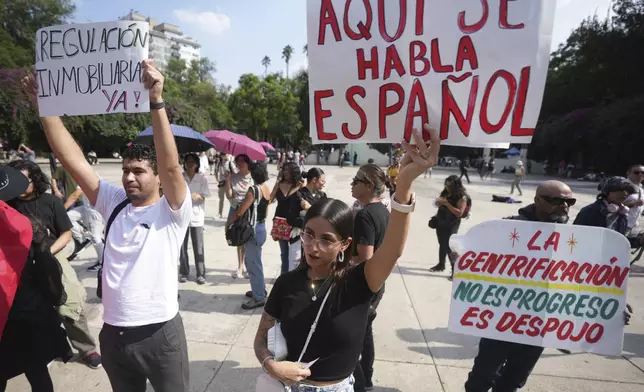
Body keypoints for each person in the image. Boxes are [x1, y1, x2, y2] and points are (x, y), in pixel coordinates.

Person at [23, 59, 192, 391]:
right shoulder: (114, 201)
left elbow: (172, 167)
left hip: (160, 334)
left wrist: (156, 100)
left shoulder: (171, 210)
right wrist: (45, 107)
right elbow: (72, 158)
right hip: (113, 335)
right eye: (126, 170)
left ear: (157, 179)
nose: (129, 177)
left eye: (139, 171)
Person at [253, 127, 439, 392]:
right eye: (308, 235)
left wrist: (404, 186)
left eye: (326, 239)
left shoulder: (359, 282)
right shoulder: (286, 283)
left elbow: (394, 250)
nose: (313, 246)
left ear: (345, 244)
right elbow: (261, 337)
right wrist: (271, 365)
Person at [464, 180, 575, 391]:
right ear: (537, 200)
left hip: (538, 323)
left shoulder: (574, 238)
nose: (564, 206)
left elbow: (586, 277)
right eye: (555, 200)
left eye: (569, 201)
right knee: (483, 376)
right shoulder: (509, 228)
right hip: (502, 318)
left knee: (514, 379)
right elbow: (477, 257)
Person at [7, 159, 102, 370]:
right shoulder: (9, 204)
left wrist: (46, 254)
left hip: (52, 255)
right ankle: (53, 348)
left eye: (25, 180)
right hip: (21, 262)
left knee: (69, 303)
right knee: (36, 309)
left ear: (35, 179)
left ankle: (87, 348)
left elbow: (66, 234)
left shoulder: (50, 201)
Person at [349, 164, 391, 392]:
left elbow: (365, 258)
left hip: (364, 284)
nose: (352, 184)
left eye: (356, 181)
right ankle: (367, 380)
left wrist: (340, 260)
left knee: (352, 338)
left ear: (370, 186)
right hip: (378, 283)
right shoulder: (383, 211)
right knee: (365, 334)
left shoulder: (365, 215)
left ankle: (360, 383)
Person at [232, 161, 271, 310]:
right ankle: (259, 289)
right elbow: (266, 209)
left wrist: (231, 221)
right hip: (261, 227)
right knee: (254, 262)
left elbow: (241, 211)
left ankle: (259, 297)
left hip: (253, 230)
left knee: (253, 264)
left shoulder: (253, 190)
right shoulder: (266, 188)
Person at [574, 176, 644, 247]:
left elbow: (619, 241)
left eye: (628, 191)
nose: (625, 193)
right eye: (619, 190)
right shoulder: (589, 212)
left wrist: (639, 241)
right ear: (607, 191)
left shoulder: (622, 215)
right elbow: (574, 238)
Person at [179, 153, 211, 285]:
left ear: (197, 164)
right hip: (181, 217)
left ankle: (201, 273)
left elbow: (204, 196)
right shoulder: (180, 178)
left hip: (197, 216)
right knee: (182, 247)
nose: (190, 165)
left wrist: (195, 196)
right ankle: (184, 272)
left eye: (192, 162)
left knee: (198, 247)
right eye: (187, 162)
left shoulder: (202, 179)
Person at [429, 175, 468, 276]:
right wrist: (438, 202)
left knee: (449, 246)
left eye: (449, 186)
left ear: (456, 186)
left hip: (452, 223)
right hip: (441, 221)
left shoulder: (462, 197)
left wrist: (446, 204)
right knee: (442, 244)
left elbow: (459, 213)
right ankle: (441, 265)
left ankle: (455, 269)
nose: (447, 187)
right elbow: (438, 204)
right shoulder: (446, 193)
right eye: (446, 185)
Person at [271, 162, 305, 274]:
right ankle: (283, 276)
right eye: (284, 170)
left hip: (295, 223)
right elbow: (270, 200)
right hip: (281, 221)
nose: (285, 172)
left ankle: (292, 276)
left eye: (288, 170)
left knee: (295, 254)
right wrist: (276, 183)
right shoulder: (280, 183)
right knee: (284, 252)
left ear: (293, 172)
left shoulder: (300, 185)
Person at [226, 154, 254, 279]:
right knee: (238, 238)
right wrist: (227, 181)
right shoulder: (233, 177)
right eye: (238, 161)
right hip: (235, 209)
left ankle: (249, 266)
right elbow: (229, 196)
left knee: (248, 238)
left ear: (248, 163)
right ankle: (240, 266)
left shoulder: (253, 177)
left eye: (243, 161)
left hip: (249, 210)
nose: (240, 163)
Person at [624, 164, 644, 233]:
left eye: (643, 173)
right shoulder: (622, 186)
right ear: (628, 173)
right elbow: (612, 204)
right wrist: (635, 203)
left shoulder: (641, 188)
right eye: (636, 172)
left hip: (633, 225)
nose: (640, 175)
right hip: (621, 225)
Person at [216, 152, 234, 218]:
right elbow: (216, 171)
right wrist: (217, 179)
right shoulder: (219, 163)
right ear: (221, 155)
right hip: (221, 183)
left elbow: (235, 171)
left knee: (230, 198)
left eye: (226, 154)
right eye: (223, 154)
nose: (225, 155)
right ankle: (220, 213)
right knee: (221, 199)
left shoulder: (230, 162)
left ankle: (233, 212)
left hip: (229, 183)